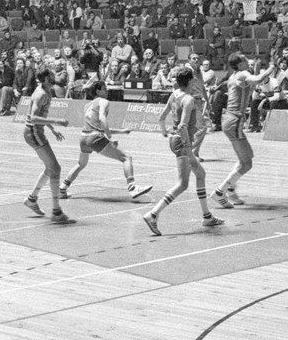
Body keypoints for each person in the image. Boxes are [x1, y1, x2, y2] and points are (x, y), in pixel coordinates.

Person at [143, 67, 224, 235]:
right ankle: (153, 214)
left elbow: (161, 118)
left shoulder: (174, 95)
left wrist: (165, 132)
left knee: (200, 174)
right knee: (182, 184)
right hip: (182, 142)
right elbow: (182, 126)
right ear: (191, 81)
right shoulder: (188, 100)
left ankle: (207, 216)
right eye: (194, 78)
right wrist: (188, 146)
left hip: (175, 140)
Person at [59, 78, 152, 201]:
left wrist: (121, 132)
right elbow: (102, 119)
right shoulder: (104, 101)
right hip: (95, 137)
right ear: (98, 91)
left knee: (81, 164)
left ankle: (63, 188)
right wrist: (110, 137)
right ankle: (132, 187)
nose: (107, 91)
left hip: (84, 138)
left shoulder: (87, 105)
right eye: (104, 89)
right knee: (126, 158)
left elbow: (96, 126)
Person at [213, 51, 275, 209]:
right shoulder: (242, 74)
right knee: (246, 163)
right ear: (239, 64)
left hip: (231, 120)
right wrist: (271, 67)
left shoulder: (235, 75)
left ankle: (231, 190)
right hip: (235, 121)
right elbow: (259, 80)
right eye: (244, 60)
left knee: (248, 158)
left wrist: (255, 69)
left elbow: (252, 85)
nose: (248, 61)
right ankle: (221, 191)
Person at [21, 68, 74, 224]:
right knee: (55, 168)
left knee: (50, 167)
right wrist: (56, 121)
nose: (54, 77)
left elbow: (41, 115)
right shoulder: (41, 94)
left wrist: (52, 129)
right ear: (45, 79)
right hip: (33, 132)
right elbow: (34, 117)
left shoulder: (46, 91)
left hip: (37, 131)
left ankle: (32, 199)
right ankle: (56, 210)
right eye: (51, 76)